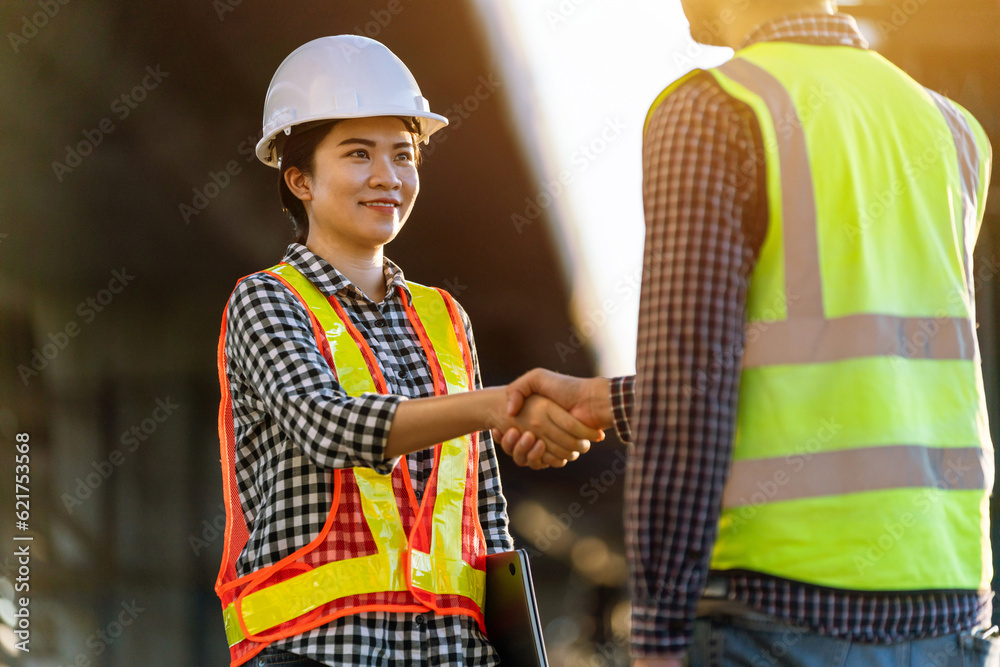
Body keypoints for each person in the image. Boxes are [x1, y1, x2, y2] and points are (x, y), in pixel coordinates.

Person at [500, 0, 997, 665]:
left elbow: (693, 391)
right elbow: (843, 369)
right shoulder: (951, 126)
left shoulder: (712, 110)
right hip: (952, 606)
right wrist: (605, 400)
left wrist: (656, 630)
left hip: (780, 610)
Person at [213, 35, 600, 667]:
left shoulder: (444, 317)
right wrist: (497, 407)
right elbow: (331, 429)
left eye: (403, 154)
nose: (387, 177)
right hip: (318, 652)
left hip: (451, 653)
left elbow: (483, 509)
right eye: (359, 154)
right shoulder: (265, 303)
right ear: (299, 179)